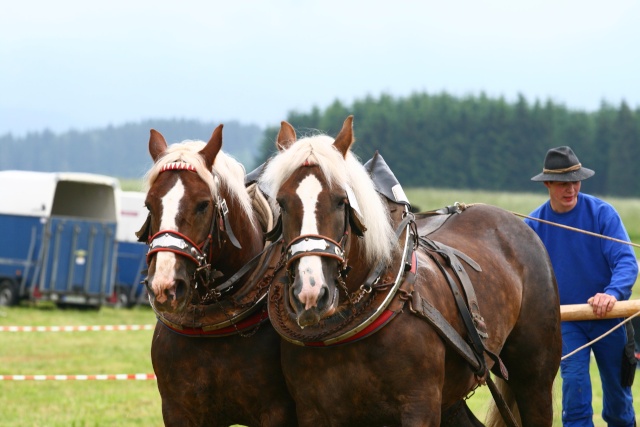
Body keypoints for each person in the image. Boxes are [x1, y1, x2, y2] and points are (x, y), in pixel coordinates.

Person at [525, 146, 638, 427]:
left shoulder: (602, 214)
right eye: (563, 183)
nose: (571, 189)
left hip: (609, 317)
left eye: (576, 181)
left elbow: (627, 262)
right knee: (574, 392)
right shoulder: (532, 226)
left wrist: (611, 294)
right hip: (566, 320)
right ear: (548, 184)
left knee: (618, 401)